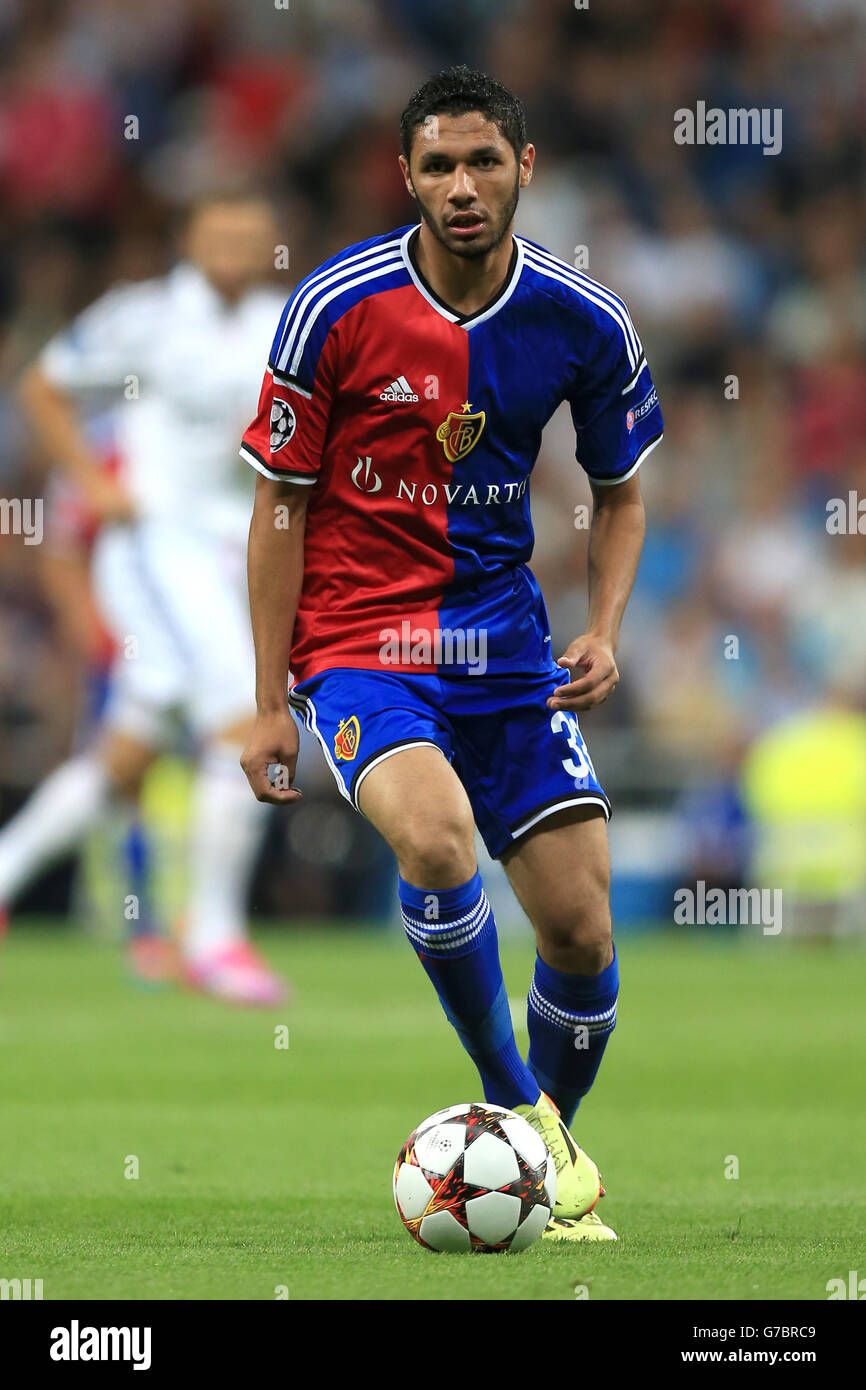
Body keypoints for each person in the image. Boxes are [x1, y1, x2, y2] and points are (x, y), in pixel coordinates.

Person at [240, 67, 663, 1237]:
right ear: (405, 177)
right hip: (360, 643)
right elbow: (278, 507)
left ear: (525, 168)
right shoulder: (335, 305)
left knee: (580, 930)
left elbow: (620, 493)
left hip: (505, 650)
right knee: (433, 840)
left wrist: (604, 625)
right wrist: (267, 697)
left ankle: (542, 1147)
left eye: (483, 161)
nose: (461, 186)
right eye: (437, 165)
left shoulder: (582, 321)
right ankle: (515, 1106)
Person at [0, 192, 289, 1006]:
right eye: (218, 230)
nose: (234, 244)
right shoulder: (143, 317)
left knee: (131, 749)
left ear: (272, 240)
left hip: (240, 553)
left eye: (249, 231)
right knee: (248, 722)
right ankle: (214, 938)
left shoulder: (290, 319)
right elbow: (43, 388)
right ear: (187, 239)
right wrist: (94, 485)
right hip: (160, 548)